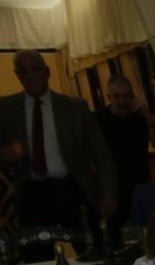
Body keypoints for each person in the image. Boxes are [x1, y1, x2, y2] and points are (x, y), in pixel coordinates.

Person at [0, 50, 116, 243]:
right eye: (23, 71)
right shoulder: (6, 109)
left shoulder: (74, 107)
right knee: (35, 255)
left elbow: (102, 154)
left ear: (46, 72)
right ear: (17, 75)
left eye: (35, 70)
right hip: (30, 192)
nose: (30, 76)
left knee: (89, 247)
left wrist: (109, 194)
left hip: (73, 187)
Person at [96, 75, 155, 245]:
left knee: (144, 231)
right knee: (116, 233)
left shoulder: (139, 117)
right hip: (113, 184)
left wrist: (148, 118)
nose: (121, 101)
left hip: (139, 181)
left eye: (126, 96)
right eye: (116, 96)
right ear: (109, 97)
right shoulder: (99, 119)